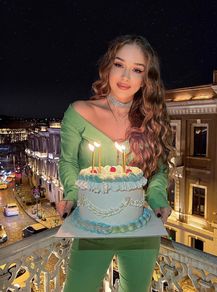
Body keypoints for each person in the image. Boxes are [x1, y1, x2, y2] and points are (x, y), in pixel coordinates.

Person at [57, 34, 173, 292]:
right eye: (119, 65)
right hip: (92, 231)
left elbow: (158, 172)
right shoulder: (78, 112)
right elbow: (67, 162)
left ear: (146, 78)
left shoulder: (151, 119)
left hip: (140, 230)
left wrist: (157, 201)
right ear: (108, 66)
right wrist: (72, 194)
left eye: (137, 70)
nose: (125, 76)